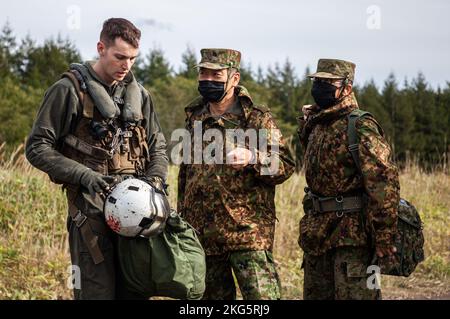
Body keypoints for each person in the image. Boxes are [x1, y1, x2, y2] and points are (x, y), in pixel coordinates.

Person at [25, 18, 168, 300]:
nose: (126, 65)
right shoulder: (68, 90)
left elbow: (158, 146)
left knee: (136, 291)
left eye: (133, 59)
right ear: (101, 48)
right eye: (120, 57)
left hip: (139, 213)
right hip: (90, 212)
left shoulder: (140, 96)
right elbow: (37, 147)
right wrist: (85, 176)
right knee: (96, 292)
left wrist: (155, 181)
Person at [177, 48, 295, 300]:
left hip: (247, 234)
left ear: (234, 78)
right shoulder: (196, 116)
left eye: (216, 74)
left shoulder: (256, 118)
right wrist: (182, 219)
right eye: (203, 73)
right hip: (203, 235)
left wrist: (254, 158)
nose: (208, 80)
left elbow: (285, 163)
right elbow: (186, 173)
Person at [297, 58, 400, 300]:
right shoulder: (317, 124)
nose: (320, 87)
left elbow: (384, 182)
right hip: (317, 235)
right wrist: (307, 122)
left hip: (353, 238)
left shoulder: (360, 124)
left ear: (347, 87)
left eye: (328, 82)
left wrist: (384, 237)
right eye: (317, 81)